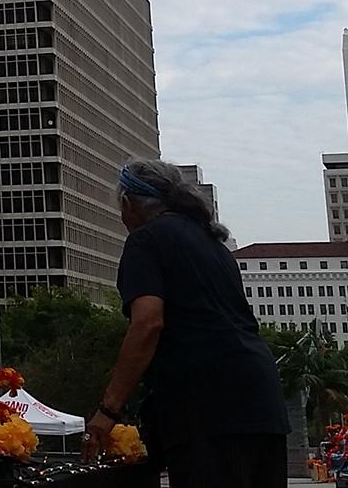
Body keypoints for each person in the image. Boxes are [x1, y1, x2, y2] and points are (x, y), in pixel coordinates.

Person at [83, 158, 289, 487]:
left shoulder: (146, 240)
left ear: (127, 204)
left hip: (208, 409)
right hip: (262, 403)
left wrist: (108, 410)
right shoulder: (214, 244)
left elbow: (147, 323)